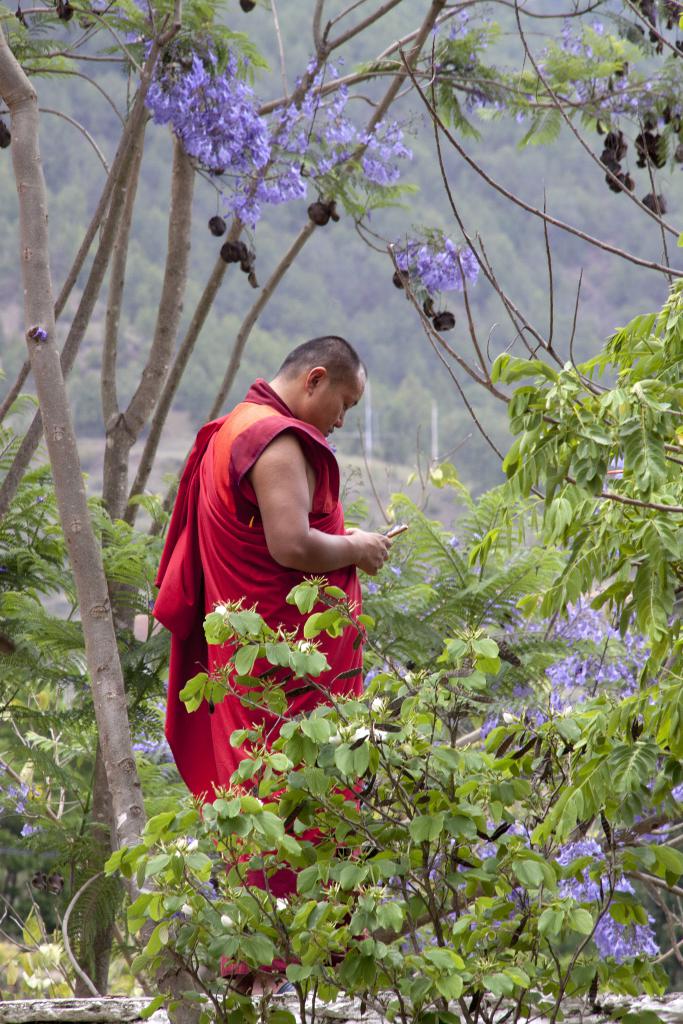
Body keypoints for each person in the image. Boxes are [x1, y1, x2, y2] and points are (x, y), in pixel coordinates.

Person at [154, 335, 391, 805]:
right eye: (344, 404)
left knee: (256, 793)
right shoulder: (276, 441)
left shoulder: (235, 426)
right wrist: (355, 547)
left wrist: (343, 538)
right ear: (314, 380)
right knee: (292, 802)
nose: (341, 421)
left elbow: (269, 532)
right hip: (282, 670)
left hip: (252, 658)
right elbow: (291, 545)